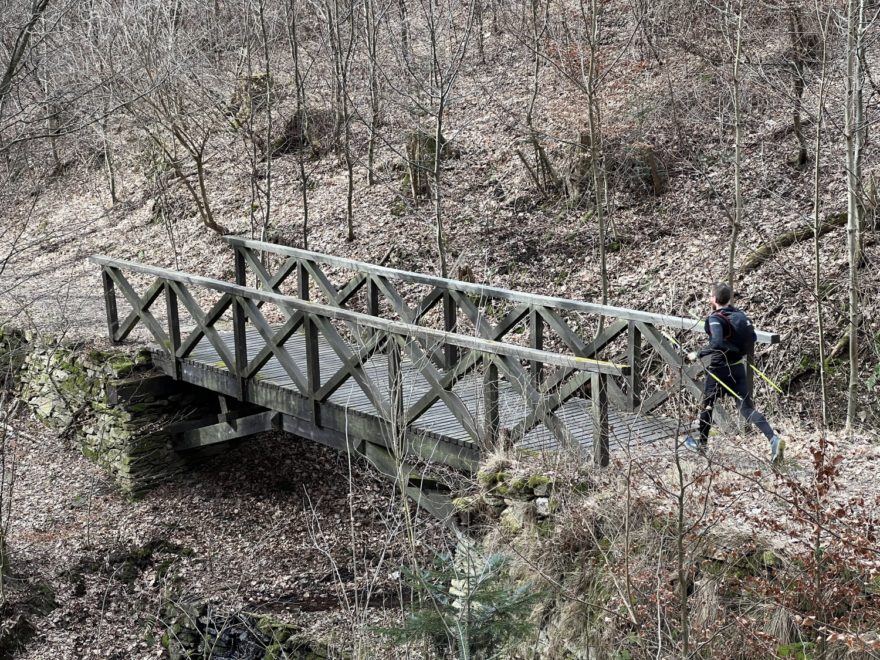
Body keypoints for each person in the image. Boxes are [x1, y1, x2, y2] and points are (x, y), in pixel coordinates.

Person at [683, 283, 785, 464]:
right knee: (747, 409)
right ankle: (773, 439)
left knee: (707, 405)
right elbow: (750, 339)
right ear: (729, 299)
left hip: (720, 369)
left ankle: (702, 445)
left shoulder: (715, 319)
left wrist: (697, 354)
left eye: (710, 296)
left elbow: (716, 342)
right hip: (738, 368)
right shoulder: (740, 316)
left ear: (714, 299)